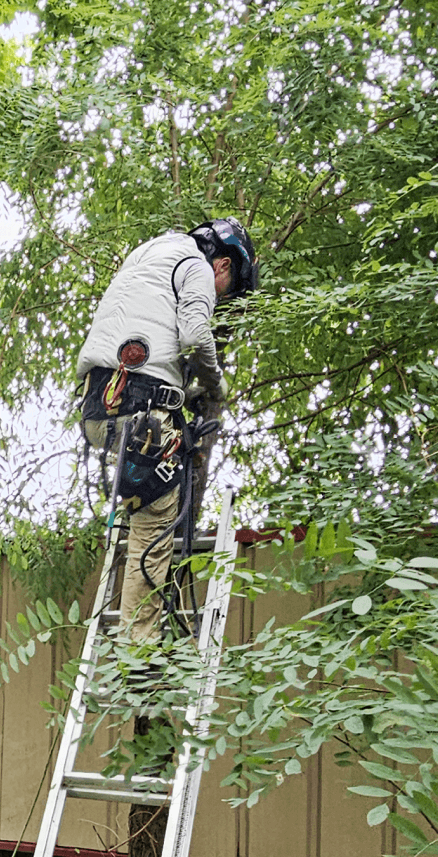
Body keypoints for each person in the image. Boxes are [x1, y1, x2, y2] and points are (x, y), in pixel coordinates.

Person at [77, 218, 258, 640]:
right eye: (226, 292)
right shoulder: (196, 265)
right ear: (224, 266)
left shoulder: (144, 257)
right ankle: (138, 653)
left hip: (99, 412)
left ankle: (132, 638)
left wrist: (183, 392)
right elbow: (195, 336)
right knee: (156, 526)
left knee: (144, 497)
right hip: (144, 413)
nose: (220, 296)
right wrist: (215, 382)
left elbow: (151, 340)